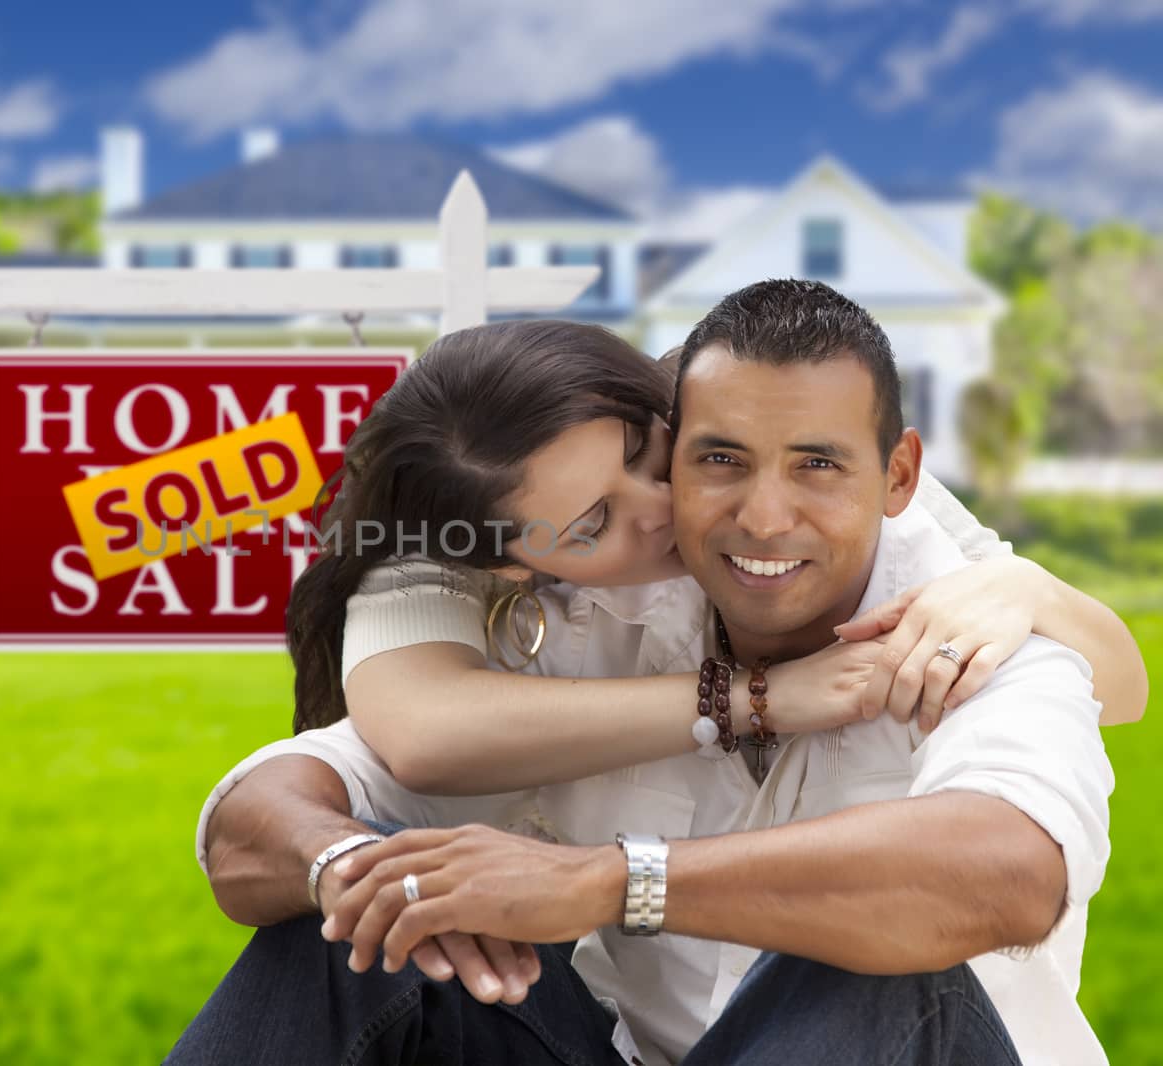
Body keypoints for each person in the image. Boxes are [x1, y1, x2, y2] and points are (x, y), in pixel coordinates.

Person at [171, 281, 1125, 1065]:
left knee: (883, 942)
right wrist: (349, 867)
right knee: (356, 925)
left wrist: (611, 882)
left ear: (898, 476)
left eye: (819, 467)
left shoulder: (971, 619)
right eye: (716, 460)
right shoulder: (574, 620)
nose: (759, 516)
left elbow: (1006, 872)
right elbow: (271, 813)